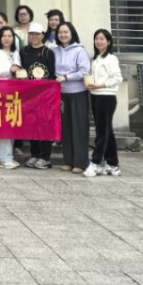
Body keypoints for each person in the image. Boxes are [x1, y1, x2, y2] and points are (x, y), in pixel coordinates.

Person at [85, 28, 123, 178]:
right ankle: (112, 164)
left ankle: (95, 163)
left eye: (102, 39)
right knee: (107, 132)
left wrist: (99, 85)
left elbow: (117, 78)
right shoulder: (96, 58)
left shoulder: (111, 59)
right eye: (96, 39)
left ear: (108, 42)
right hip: (95, 96)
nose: (98, 41)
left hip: (106, 97)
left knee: (101, 133)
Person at [54, 22, 91, 174]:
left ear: (72, 33)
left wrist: (66, 77)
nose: (63, 35)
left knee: (79, 128)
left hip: (78, 93)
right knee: (66, 128)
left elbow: (84, 71)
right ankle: (68, 161)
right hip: (61, 94)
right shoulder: (55, 51)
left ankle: (80, 162)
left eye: (66, 32)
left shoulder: (80, 51)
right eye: (60, 32)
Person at [20, 22, 57, 169]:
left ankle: (45, 157)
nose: (34, 36)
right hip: (29, 94)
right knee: (32, 124)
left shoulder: (48, 52)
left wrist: (44, 86)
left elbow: (52, 74)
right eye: (31, 34)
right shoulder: (24, 51)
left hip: (45, 95)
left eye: (37, 34)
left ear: (42, 35)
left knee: (45, 124)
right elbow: (22, 70)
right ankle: (34, 154)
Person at [0, 26, 23, 169]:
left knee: (12, 122)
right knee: (2, 124)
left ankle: (9, 156)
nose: (7, 38)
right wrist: (9, 70)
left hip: (14, 90)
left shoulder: (15, 52)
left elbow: (18, 69)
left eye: (10, 36)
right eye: (4, 36)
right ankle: (3, 158)